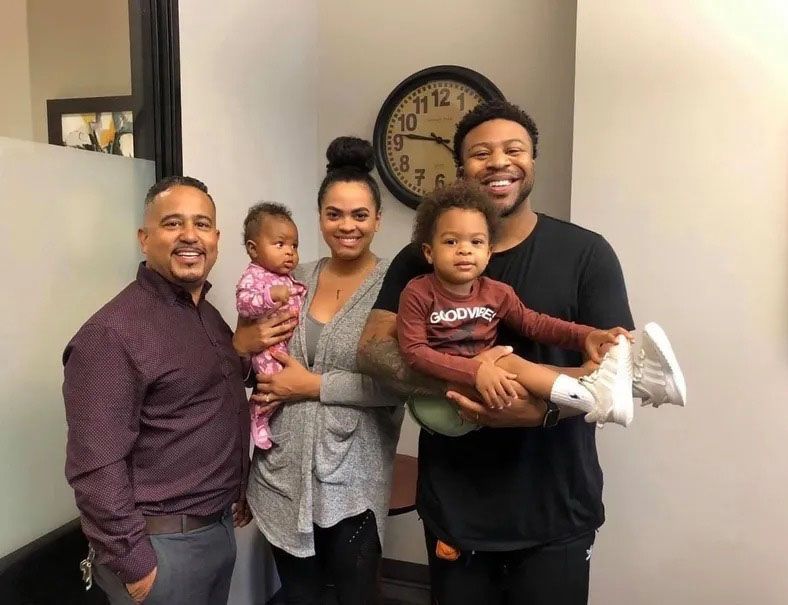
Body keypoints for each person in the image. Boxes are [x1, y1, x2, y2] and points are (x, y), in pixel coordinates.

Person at [357, 100, 685, 604]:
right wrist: (475, 379)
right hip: (456, 507)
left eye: (515, 149)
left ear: (533, 160)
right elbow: (375, 350)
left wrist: (530, 412)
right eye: (480, 153)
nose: (499, 162)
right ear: (461, 168)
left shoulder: (586, 253)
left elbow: (605, 368)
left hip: (556, 511)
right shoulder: (420, 259)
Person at [63, 176, 253, 605]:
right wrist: (136, 565)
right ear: (144, 238)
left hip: (217, 531)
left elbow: (203, 402)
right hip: (161, 549)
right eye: (173, 223)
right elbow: (95, 465)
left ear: (217, 239)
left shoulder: (208, 316)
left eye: (202, 224)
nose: (190, 235)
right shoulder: (112, 334)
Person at [242, 137, 402, 605]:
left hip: (353, 478)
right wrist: (248, 354)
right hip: (281, 475)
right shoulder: (292, 278)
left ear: (377, 219)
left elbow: (399, 387)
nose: (346, 226)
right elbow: (252, 348)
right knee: (299, 597)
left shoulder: (398, 286)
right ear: (320, 218)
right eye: (334, 214)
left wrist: (312, 385)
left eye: (358, 215)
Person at [398, 180, 637, 427]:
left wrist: (586, 335)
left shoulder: (496, 293)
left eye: (476, 242)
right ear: (429, 252)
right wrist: (475, 371)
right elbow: (414, 352)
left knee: (514, 366)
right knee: (508, 362)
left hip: (492, 382)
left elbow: (535, 324)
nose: (464, 250)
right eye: (451, 242)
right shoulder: (418, 293)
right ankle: (603, 392)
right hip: (443, 397)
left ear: (488, 253)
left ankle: (610, 386)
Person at [236, 202, 307, 449]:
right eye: (280, 244)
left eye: (294, 246)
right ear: (253, 249)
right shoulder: (254, 275)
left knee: (286, 379)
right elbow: (244, 304)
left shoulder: (286, 277)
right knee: (272, 383)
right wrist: (270, 296)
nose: (290, 252)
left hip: (285, 342)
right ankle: (257, 415)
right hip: (267, 346)